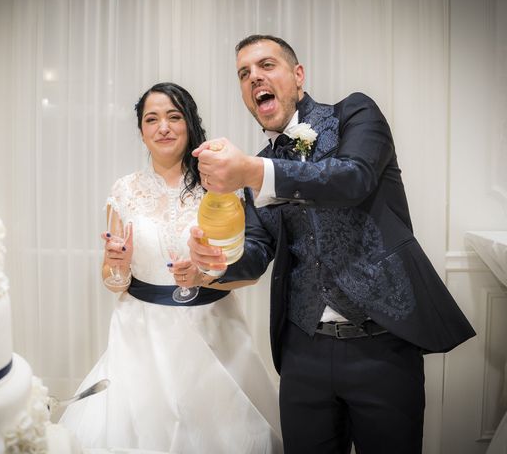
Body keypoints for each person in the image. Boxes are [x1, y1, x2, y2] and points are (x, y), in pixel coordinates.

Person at [188, 35, 476, 453]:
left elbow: (352, 177)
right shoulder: (254, 170)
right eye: (244, 74)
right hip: (302, 352)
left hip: (382, 347)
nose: (254, 79)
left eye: (266, 66)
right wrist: (215, 262)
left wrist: (254, 170)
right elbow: (256, 250)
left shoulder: (354, 115)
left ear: (298, 76)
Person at [59, 82, 283, 453]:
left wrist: (205, 273)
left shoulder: (221, 187)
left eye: (173, 117)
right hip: (140, 336)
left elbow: (247, 270)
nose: (163, 127)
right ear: (142, 131)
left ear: (189, 124)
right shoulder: (125, 190)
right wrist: (116, 265)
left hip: (213, 329)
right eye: (152, 119)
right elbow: (114, 280)